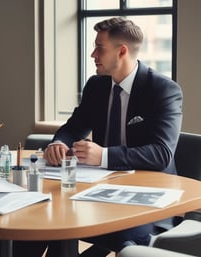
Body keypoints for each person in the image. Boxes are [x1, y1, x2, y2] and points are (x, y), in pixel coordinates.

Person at [13, 17, 183, 257]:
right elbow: (74, 127)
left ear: (122, 51)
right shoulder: (96, 85)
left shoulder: (163, 89)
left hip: (148, 200)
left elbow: (161, 154)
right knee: (33, 228)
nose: (92, 54)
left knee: (110, 237)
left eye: (99, 47)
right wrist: (59, 142)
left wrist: (102, 155)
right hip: (97, 192)